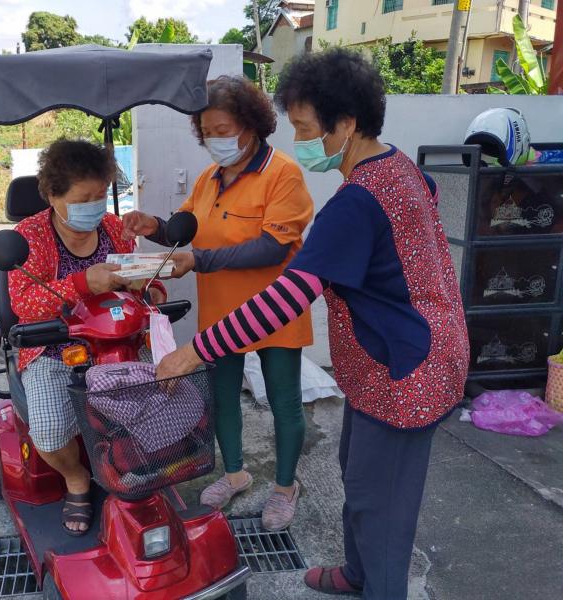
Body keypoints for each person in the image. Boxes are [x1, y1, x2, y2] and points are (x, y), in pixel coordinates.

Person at [157, 49, 469, 600]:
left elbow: (287, 296)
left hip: (407, 368)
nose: (299, 140)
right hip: (387, 360)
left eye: (304, 128)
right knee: (356, 472)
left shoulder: (356, 203)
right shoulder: (400, 168)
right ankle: (357, 574)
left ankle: (380, 587)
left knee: (382, 506)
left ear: (345, 124)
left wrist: (194, 351)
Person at [123, 75, 314, 531]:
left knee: (284, 402)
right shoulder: (209, 179)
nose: (214, 140)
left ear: (251, 125)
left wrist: (199, 259)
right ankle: (235, 474)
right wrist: (154, 226)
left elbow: (272, 248)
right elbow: (187, 227)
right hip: (222, 314)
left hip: (274, 311)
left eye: (223, 129)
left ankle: (285, 487)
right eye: (207, 131)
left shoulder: (283, 174)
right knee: (223, 398)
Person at [8, 139, 165, 536]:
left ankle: (130, 465)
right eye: (83, 199)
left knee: (161, 404)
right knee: (48, 432)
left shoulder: (113, 228)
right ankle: (76, 477)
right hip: (53, 349)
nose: (94, 206)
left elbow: (139, 282)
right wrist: (81, 283)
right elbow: (24, 303)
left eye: (100, 196)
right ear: (53, 195)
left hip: (118, 343)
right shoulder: (30, 235)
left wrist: (149, 288)